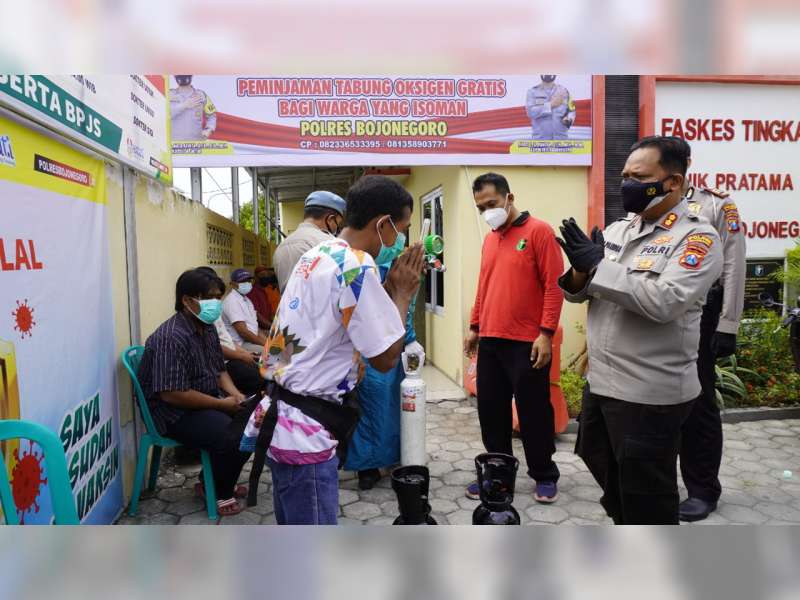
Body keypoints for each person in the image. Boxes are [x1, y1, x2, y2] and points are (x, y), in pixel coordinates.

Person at [240, 175, 425, 524]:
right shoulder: (356, 264)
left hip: (284, 418)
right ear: (383, 224)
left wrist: (386, 288)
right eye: (402, 229)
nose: (402, 240)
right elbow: (385, 358)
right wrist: (402, 294)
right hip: (306, 433)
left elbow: (325, 326)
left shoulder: (319, 254)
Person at [558, 135, 723, 525]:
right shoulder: (619, 230)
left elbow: (664, 302)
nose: (627, 184)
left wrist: (599, 267)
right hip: (603, 385)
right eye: (624, 175)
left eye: (639, 176)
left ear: (674, 182)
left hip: (649, 395)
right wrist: (582, 268)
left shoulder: (698, 238)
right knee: (606, 469)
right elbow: (580, 295)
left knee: (646, 495)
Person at [463, 172, 564, 504]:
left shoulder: (539, 232)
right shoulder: (491, 238)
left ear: (509, 197)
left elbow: (554, 286)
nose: (487, 211)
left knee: (534, 412)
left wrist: (546, 333)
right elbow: (484, 285)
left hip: (527, 342)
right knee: (491, 412)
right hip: (491, 340)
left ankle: (544, 474)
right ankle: (497, 473)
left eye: (491, 203)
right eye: (481, 207)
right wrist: (475, 326)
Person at [136, 268, 252, 516]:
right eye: (209, 298)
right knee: (230, 434)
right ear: (187, 300)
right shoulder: (171, 337)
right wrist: (222, 405)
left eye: (218, 298)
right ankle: (221, 491)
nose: (216, 304)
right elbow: (172, 394)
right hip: (172, 412)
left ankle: (212, 480)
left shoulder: (206, 326)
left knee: (253, 423)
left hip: (202, 400)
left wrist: (236, 395)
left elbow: (219, 369)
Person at [677, 140, 747, 522]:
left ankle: (703, 489)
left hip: (704, 313)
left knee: (699, 403)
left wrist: (728, 324)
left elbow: (734, 264)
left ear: (684, 165)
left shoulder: (716, 205)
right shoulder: (653, 206)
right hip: (664, 312)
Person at [345, 248, 420, 490]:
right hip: (374, 352)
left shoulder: (396, 273)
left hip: (387, 353)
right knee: (371, 411)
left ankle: (381, 461)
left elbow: (404, 314)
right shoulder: (368, 273)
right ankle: (368, 467)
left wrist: (409, 339)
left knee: (386, 409)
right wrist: (409, 337)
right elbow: (394, 316)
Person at [197, 266, 265, 397]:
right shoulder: (229, 303)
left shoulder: (215, 312)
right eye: (209, 296)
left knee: (264, 368)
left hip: (234, 352)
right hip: (228, 358)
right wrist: (243, 355)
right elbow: (241, 333)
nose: (215, 301)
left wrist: (246, 353)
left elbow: (228, 340)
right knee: (259, 376)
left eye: (217, 297)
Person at [273, 190, 346, 292]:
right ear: (329, 219)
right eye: (337, 223)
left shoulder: (281, 247)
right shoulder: (330, 244)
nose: (337, 229)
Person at [222, 268, 268, 354]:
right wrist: (266, 345)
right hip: (240, 345)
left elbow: (254, 326)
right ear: (233, 284)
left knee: (276, 347)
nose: (247, 283)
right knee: (271, 353)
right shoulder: (232, 301)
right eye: (243, 281)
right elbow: (243, 332)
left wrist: (268, 343)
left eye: (249, 281)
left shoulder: (246, 299)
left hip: (251, 341)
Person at [525, 75, 576, 140]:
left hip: (561, 141)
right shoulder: (532, 92)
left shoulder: (564, 91)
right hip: (540, 142)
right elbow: (530, 112)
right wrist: (551, 105)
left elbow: (572, 111)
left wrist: (569, 119)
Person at [170, 75, 217, 141]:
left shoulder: (201, 95)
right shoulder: (168, 94)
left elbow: (212, 115)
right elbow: (163, 115)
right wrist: (184, 105)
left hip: (195, 145)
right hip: (173, 144)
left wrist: (208, 129)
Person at [248, 265, 275, 330]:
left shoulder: (264, 291)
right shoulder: (252, 292)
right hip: (260, 329)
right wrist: (272, 327)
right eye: (262, 274)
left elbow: (270, 313)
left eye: (267, 274)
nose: (266, 277)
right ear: (256, 278)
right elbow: (256, 314)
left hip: (268, 326)